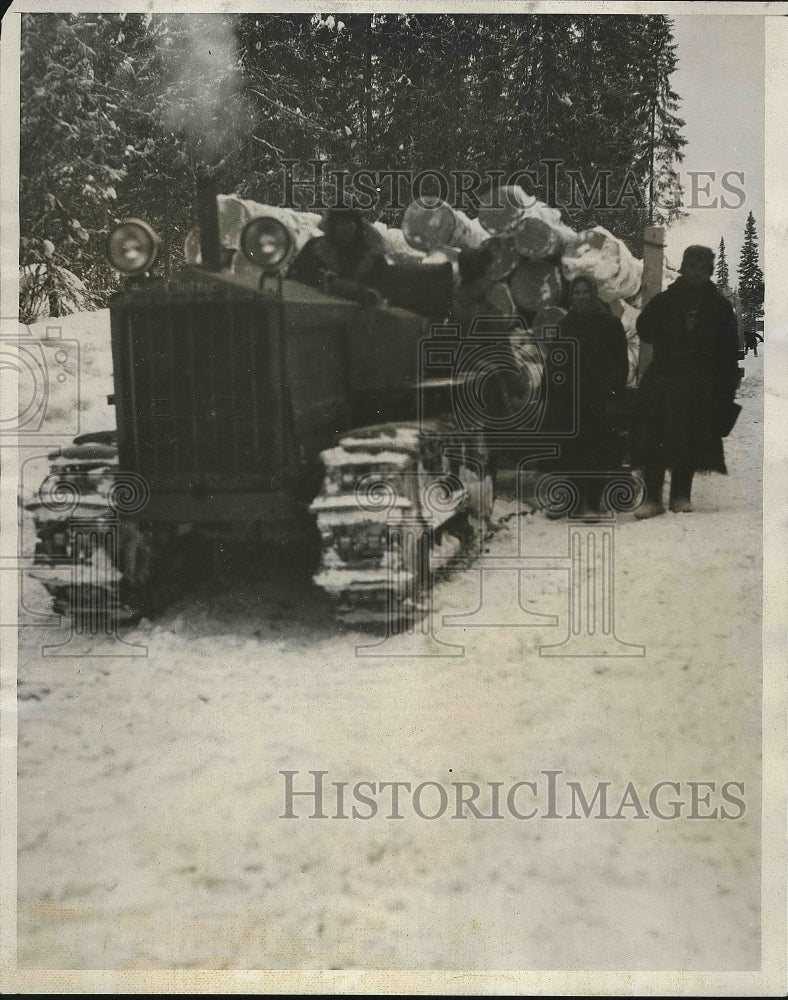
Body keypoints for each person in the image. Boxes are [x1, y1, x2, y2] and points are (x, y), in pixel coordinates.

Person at [633, 244, 741, 518]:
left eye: (702, 268)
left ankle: (681, 495)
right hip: (665, 380)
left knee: (690, 440)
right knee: (655, 438)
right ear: (684, 267)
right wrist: (668, 327)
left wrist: (727, 387)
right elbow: (644, 329)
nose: (697, 272)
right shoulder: (666, 300)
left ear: (709, 271)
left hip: (701, 384)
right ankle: (652, 499)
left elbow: (729, 351)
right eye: (692, 266)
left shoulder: (720, 306)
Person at [544, 275, 629, 518]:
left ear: (594, 294)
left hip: (599, 400)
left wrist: (612, 396)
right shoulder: (566, 325)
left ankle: (592, 502)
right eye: (576, 293)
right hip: (572, 399)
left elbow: (619, 365)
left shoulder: (609, 325)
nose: (580, 297)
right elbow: (555, 362)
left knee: (597, 449)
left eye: (585, 292)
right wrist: (555, 392)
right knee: (572, 450)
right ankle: (573, 499)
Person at [289, 206, 383, 305]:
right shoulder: (315, 247)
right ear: (332, 226)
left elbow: (383, 283)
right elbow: (296, 276)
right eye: (341, 222)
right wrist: (327, 280)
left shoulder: (369, 253)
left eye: (351, 222)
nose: (347, 228)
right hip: (319, 309)